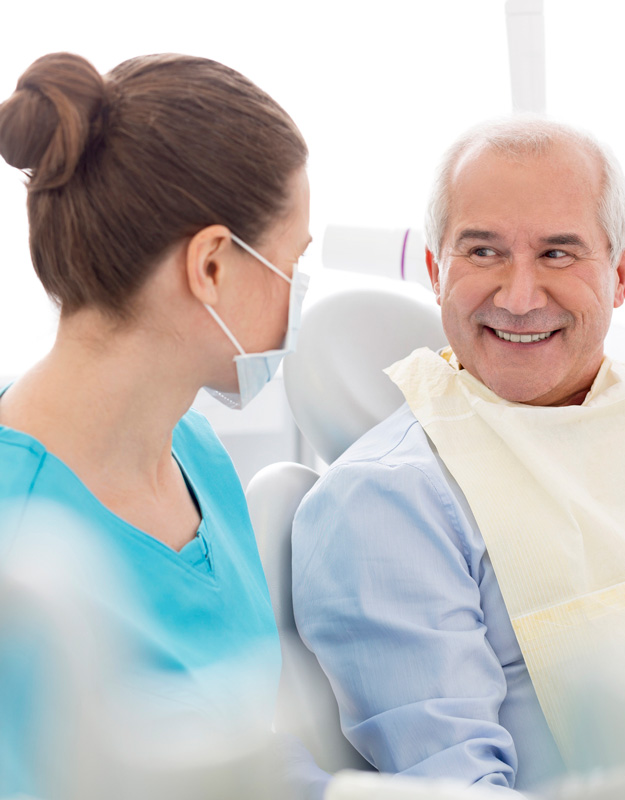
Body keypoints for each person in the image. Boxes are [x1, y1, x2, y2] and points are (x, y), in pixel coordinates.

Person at [291, 116, 625, 794]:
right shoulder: (391, 500)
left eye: (558, 254)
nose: (520, 297)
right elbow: (462, 785)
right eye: (483, 253)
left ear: (621, 275)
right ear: (433, 271)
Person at [0, 52, 327, 798]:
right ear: (212, 265)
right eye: (291, 264)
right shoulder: (17, 546)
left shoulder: (196, 456)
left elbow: (242, 746)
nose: (297, 300)